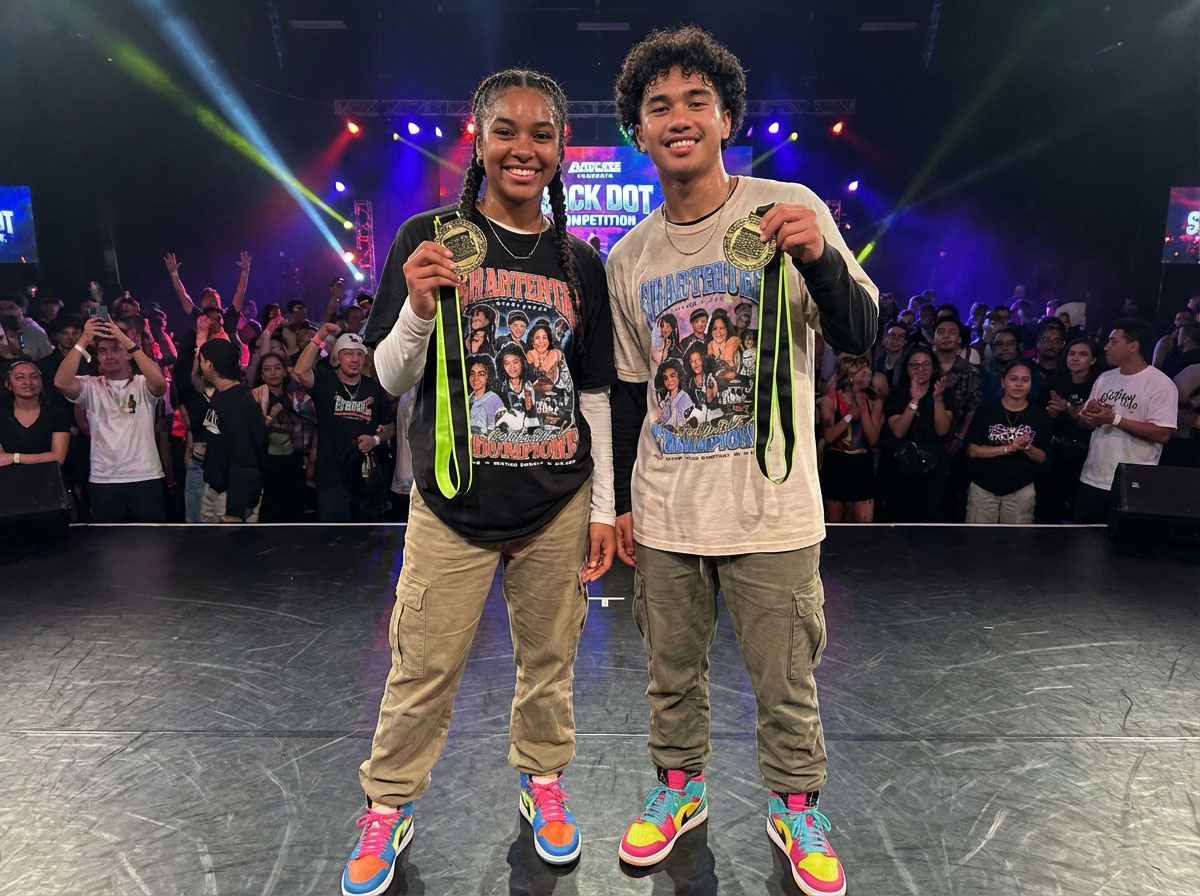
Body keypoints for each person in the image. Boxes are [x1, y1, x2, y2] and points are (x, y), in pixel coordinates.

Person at [608, 27, 877, 896]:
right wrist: (618, 506)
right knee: (669, 674)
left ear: (725, 117)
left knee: (787, 678)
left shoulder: (787, 204)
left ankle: (796, 806)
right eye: (659, 107)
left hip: (773, 507)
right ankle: (678, 791)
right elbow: (626, 394)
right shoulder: (629, 256)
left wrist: (819, 256)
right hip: (669, 508)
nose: (678, 118)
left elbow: (860, 334)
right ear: (638, 133)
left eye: (695, 101)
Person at [342, 68, 617, 895]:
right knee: (420, 666)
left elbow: (594, 393)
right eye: (507, 130)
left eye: (541, 134)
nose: (523, 148)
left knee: (550, 663)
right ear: (479, 137)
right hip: (451, 506)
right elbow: (389, 377)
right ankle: (388, 807)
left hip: (556, 503)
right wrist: (421, 310)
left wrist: (604, 508)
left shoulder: (579, 262)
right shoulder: (427, 235)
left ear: (562, 150)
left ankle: (543, 784)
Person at [53, 314, 168, 522]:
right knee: (107, 548)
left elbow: (160, 384)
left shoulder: (142, 383)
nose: (109, 356)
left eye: (116, 349)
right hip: (104, 479)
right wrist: (83, 340)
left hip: (145, 476)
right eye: (103, 351)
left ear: (128, 353)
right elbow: (61, 382)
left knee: (153, 546)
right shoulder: (90, 385)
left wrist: (125, 340)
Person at [1074, 318, 1176, 523]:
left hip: (1132, 482)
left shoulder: (1160, 384)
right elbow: (1083, 424)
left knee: (1121, 549)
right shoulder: (1105, 378)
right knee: (1082, 544)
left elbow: (1163, 434)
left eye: (1113, 341)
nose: (1106, 347)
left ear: (1133, 346)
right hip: (1093, 476)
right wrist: (1089, 417)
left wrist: (1114, 419)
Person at [293, 326, 395, 522]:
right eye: (348, 354)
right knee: (333, 540)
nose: (355, 359)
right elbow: (300, 370)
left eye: (359, 354)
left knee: (366, 541)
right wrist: (320, 336)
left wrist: (375, 439)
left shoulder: (374, 388)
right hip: (332, 477)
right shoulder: (325, 382)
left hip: (366, 478)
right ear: (337, 358)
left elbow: (390, 427)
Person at [963, 360, 1051, 523]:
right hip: (984, 486)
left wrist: (1026, 447)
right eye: (1013, 379)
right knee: (977, 542)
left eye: (1025, 380)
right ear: (1003, 382)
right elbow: (972, 450)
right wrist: (1007, 449)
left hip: (1020, 488)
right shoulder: (986, 411)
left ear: (1031, 384)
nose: (1019, 384)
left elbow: (1042, 457)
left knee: (1016, 544)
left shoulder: (1039, 415)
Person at [196, 339, 267, 523]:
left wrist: (235, 508)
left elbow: (245, 456)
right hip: (217, 488)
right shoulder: (222, 397)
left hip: (230, 498)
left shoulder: (239, 402)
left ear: (209, 364)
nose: (200, 366)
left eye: (201, 361)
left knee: (231, 550)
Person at [251, 350, 314, 521]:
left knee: (293, 514)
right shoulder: (256, 397)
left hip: (293, 462)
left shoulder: (296, 397)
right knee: (268, 515)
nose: (273, 373)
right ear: (262, 375)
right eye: (267, 369)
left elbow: (313, 422)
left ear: (285, 372)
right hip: (267, 464)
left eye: (277, 368)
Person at [1044, 338, 1102, 522]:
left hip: (1085, 455)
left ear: (1093, 360)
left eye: (1083, 354)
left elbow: (1091, 421)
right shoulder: (1054, 383)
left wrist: (1067, 407)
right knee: (1050, 508)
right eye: (1072, 353)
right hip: (1055, 454)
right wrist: (1051, 414)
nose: (1075, 358)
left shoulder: (1099, 386)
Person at [819, 354, 882, 522]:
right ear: (851, 376)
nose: (867, 378)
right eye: (863, 374)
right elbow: (830, 436)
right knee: (835, 522)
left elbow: (873, 438)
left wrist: (862, 408)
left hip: (861, 463)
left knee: (864, 523)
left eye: (869, 375)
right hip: (837, 461)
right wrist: (849, 417)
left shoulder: (873, 402)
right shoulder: (830, 399)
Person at [0, 360, 71, 469]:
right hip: (10, 480)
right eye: (20, 377)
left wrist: (14, 458)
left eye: (34, 377)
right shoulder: (2, 414)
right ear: (8, 384)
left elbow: (58, 457)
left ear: (42, 382)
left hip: (51, 479)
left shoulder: (57, 413)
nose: (28, 382)